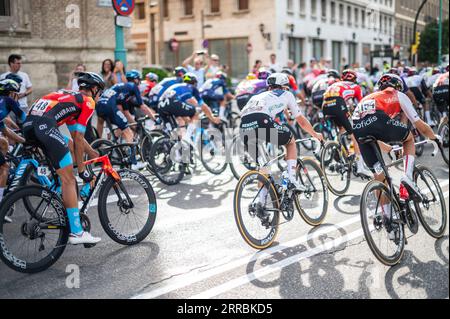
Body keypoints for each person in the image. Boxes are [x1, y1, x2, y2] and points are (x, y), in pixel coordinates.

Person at [22, 72, 105, 245]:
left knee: (66, 149)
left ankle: (60, 193)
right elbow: (80, 138)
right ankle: (76, 232)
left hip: (30, 126)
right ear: (95, 89)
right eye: (100, 92)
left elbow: (75, 138)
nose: (99, 96)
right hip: (44, 126)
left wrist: (92, 154)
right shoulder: (88, 101)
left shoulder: (69, 98)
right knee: (70, 178)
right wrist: (82, 171)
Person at [353, 74, 440, 227]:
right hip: (378, 121)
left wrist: (388, 148)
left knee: (379, 176)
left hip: (359, 130)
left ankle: (388, 218)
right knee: (409, 138)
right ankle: (407, 177)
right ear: (397, 86)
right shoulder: (397, 95)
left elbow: (367, 131)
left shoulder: (368, 97)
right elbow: (418, 123)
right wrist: (433, 137)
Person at [240, 73, 323, 195]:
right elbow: (301, 121)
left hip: (243, 127)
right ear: (283, 87)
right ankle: (291, 179)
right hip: (261, 121)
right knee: (290, 142)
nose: (287, 90)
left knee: (264, 168)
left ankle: (260, 203)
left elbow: (280, 110)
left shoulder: (260, 96)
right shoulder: (287, 94)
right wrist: (315, 134)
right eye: (286, 87)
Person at [322, 69, 371, 176]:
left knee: (342, 129)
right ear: (355, 79)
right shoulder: (356, 87)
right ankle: (360, 166)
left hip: (325, 105)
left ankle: (336, 145)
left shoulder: (337, 84)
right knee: (354, 135)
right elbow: (361, 105)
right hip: (338, 103)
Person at [158, 73, 220, 144]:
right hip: (173, 103)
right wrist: (212, 117)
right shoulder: (191, 87)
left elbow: (182, 107)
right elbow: (202, 105)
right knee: (195, 113)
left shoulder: (177, 86)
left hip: (160, 106)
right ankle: (187, 138)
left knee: (175, 134)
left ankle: (175, 149)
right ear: (194, 83)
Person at [0, 79, 27, 210]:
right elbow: (25, 119)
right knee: (4, 167)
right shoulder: (9, 101)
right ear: (11, 93)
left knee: (4, 143)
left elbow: (6, 130)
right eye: (16, 93)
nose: (17, 96)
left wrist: (23, 141)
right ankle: (1, 205)